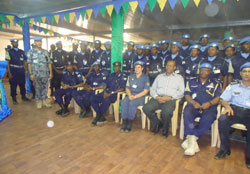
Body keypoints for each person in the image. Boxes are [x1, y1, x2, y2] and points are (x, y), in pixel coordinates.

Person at [215, 62, 250, 169]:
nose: (247, 74)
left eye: (249, 72)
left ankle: (249, 156)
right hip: (233, 110)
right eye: (245, 71)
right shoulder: (233, 85)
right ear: (240, 73)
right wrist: (227, 106)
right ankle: (224, 149)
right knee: (222, 119)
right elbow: (222, 99)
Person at [181, 63, 221, 156]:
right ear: (199, 71)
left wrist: (210, 103)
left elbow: (218, 98)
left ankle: (191, 140)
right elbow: (187, 94)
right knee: (187, 112)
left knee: (209, 117)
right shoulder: (191, 81)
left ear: (210, 72)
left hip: (209, 107)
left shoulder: (216, 84)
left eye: (206, 70)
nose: (203, 72)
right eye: (202, 70)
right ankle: (192, 142)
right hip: (194, 105)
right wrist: (193, 102)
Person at [143, 60, 184, 138]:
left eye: (170, 66)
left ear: (174, 68)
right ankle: (157, 123)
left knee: (166, 112)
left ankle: (165, 129)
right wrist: (156, 97)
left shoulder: (179, 78)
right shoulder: (159, 76)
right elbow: (152, 88)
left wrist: (171, 97)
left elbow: (181, 92)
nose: (168, 67)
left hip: (170, 99)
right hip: (158, 98)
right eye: (167, 65)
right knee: (146, 108)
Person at [120, 61, 150, 132]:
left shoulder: (145, 78)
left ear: (142, 68)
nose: (137, 69)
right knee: (124, 102)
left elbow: (145, 91)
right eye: (135, 67)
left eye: (139, 68)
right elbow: (127, 88)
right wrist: (130, 95)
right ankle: (124, 121)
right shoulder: (130, 77)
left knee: (132, 103)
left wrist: (135, 96)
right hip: (131, 95)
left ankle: (130, 122)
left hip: (141, 97)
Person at [27, 37, 53, 109]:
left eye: (40, 41)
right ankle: (39, 101)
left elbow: (49, 63)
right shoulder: (31, 52)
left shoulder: (45, 52)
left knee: (45, 87)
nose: (39, 43)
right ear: (35, 42)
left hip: (45, 73)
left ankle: (44, 101)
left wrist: (51, 73)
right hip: (36, 74)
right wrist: (31, 74)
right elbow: (29, 63)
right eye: (37, 41)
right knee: (37, 87)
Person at [5, 39, 30, 104]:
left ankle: (23, 96)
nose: (16, 43)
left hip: (21, 70)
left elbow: (25, 61)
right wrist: (9, 72)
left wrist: (26, 70)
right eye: (14, 42)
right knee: (13, 84)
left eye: (17, 42)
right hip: (13, 70)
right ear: (12, 43)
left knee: (22, 84)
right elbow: (7, 62)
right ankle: (14, 98)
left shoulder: (21, 51)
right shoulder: (9, 51)